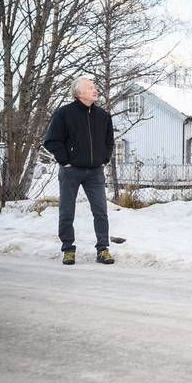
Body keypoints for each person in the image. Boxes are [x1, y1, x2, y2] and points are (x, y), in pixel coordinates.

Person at [43, 77, 116, 266]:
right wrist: (65, 161)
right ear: (79, 93)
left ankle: (103, 249)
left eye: (95, 87)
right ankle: (68, 249)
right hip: (71, 171)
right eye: (90, 87)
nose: (95, 90)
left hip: (95, 173)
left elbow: (109, 142)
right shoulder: (64, 114)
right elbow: (52, 141)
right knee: (67, 212)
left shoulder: (103, 116)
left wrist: (104, 159)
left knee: (101, 211)